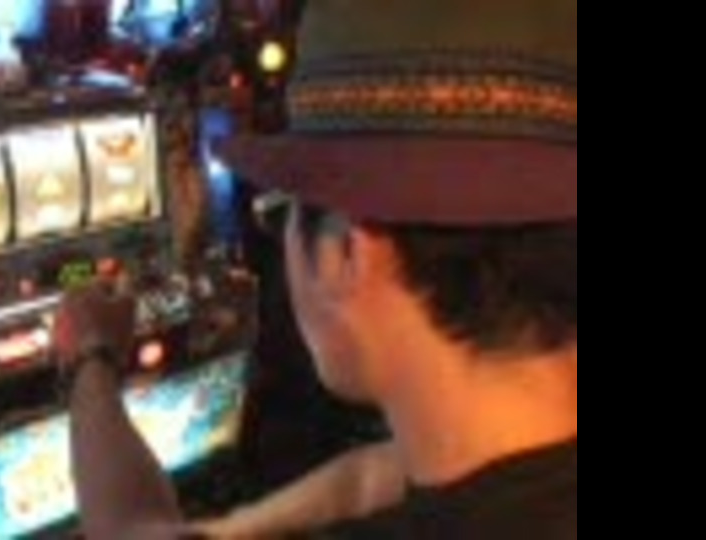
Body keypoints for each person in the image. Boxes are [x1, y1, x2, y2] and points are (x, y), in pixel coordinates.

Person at [54, 0, 578, 538]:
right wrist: (230, 529)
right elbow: (379, 475)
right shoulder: (485, 459)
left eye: (280, 211)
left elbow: (130, 530)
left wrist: (88, 358)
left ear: (345, 251)